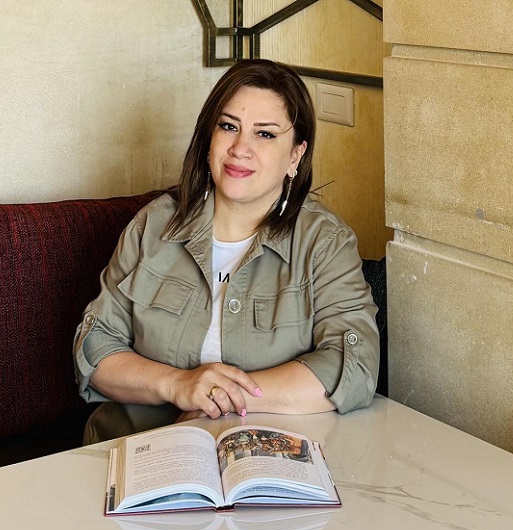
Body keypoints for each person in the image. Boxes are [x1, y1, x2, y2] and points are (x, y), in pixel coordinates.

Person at [74, 59, 380, 444]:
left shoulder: (324, 243)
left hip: (264, 460)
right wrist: (178, 384)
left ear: (295, 155)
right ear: (209, 138)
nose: (240, 149)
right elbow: (95, 348)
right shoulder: (153, 226)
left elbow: (355, 363)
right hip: (136, 450)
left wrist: (221, 400)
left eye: (265, 134)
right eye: (229, 126)